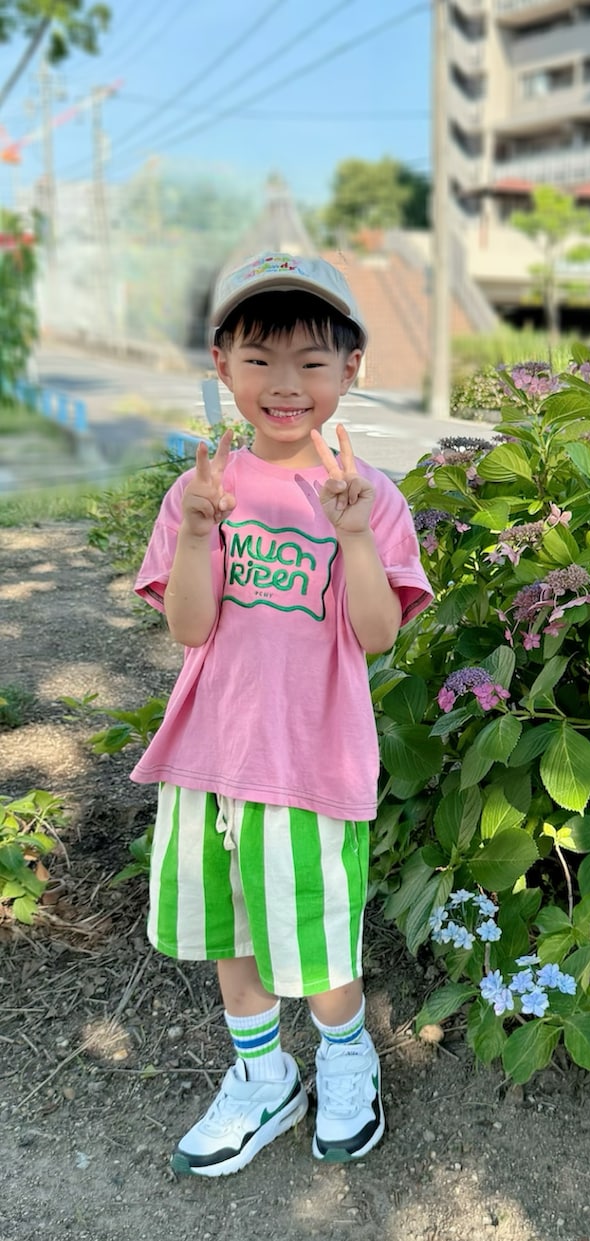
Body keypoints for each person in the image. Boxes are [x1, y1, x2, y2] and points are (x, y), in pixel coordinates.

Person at [130, 251, 433, 1177]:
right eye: (260, 357)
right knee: (229, 932)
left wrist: (349, 536)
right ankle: (263, 1077)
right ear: (222, 364)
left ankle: (347, 1059)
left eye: (312, 358)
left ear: (353, 368)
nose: (286, 383)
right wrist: (192, 530)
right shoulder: (203, 493)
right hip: (209, 760)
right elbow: (188, 626)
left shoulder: (370, 496)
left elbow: (377, 634)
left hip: (310, 764)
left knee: (317, 934)